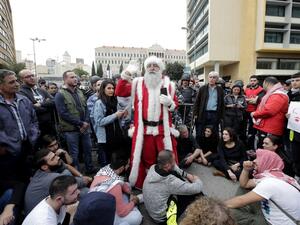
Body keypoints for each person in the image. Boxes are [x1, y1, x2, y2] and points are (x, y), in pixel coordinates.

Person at [129, 56, 179, 189]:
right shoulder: (138, 83)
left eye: (155, 65)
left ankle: (167, 182)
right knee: (148, 158)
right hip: (145, 130)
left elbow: (175, 105)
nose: (152, 68)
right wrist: (127, 73)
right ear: (145, 69)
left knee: (166, 158)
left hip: (162, 130)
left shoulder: (169, 84)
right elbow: (120, 91)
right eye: (149, 65)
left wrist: (170, 103)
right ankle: (149, 182)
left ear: (160, 69)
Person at [225, 150, 300, 225]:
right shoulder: (276, 176)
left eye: (259, 158)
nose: (254, 161)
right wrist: (245, 170)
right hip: (275, 212)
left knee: (227, 210)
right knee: (244, 190)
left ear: (267, 161)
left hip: (274, 222)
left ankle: (250, 218)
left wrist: (217, 206)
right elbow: (244, 184)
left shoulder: (270, 182)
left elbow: (241, 200)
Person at [143, 150, 203, 224]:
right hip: (163, 218)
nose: (175, 163)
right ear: (167, 165)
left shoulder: (153, 168)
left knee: (175, 173)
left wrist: (187, 175)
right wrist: (196, 179)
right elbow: (197, 188)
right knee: (196, 194)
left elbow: (175, 168)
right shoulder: (170, 181)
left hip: (153, 212)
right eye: (174, 161)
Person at [0, 69, 39, 182]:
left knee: (27, 178)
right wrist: (4, 147)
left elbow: (34, 120)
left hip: (27, 147)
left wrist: (34, 136)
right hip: (7, 152)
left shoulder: (24, 100)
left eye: (16, 81)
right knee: (11, 184)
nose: (17, 84)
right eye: (11, 82)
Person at [24, 149, 91, 215]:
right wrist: (91, 179)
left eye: (55, 155)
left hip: (46, 209)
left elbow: (66, 166)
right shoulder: (51, 178)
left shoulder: (44, 170)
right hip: (43, 218)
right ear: (44, 167)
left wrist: (80, 176)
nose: (58, 157)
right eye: (53, 158)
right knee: (86, 192)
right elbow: (82, 181)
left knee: (66, 173)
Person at [55, 70, 95, 173]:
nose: (75, 79)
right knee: (74, 153)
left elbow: (85, 108)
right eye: (72, 77)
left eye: (75, 77)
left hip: (84, 128)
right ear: (65, 79)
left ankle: (89, 169)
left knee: (88, 150)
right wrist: (81, 123)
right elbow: (63, 114)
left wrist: (85, 122)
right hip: (71, 130)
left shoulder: (79, 92)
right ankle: (76, 173)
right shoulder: (60, 94)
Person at [90, 153, 143, 225]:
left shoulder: (106, 168)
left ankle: (129, 205)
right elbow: (121, 213)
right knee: (137, 217)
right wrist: (134, 201)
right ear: (121, 168)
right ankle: (132, 207)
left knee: (127, 185)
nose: (128, 166)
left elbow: (125, 186)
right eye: (127, 165)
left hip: (96, 206)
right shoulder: (115, 185)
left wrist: (131, 193)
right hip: (102, 217)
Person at [92, 79, 127, 164]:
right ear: (103, 89)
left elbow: (118, 120)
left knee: (118, 159)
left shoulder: (115, 101)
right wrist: (115, 115)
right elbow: (99, 122)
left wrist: (122, 115)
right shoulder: (99, 103)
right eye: (109, 88)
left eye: (113, 88)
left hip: (117, 136)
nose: (111, 90)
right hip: (106, 138)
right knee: (108, 161)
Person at [251, 76, 289, 148]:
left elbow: (269, 111)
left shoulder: (278, 95)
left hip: (270, 129)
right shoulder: (274, 94)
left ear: (266, 83)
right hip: (266, 127)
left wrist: (254, 114)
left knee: (266, 151)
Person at [18, 69, 56, 137]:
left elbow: (54, 102)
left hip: (49, 125)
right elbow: (31, 109)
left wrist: (41, 104)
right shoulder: (20, 92)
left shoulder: (41, 90)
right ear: (21, 80)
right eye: (28, 77)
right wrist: (47, 105)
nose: (32, 78)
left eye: (32, 75)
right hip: (36, 128)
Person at [193, 71, 224, 139]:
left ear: (217, 79)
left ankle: (212, 148)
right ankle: (200, 147)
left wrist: (221, 115)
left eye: (214, 77)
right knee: (201, 131)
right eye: (210, 77)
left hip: (215, 113)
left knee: (214, 131)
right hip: (204, 113)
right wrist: (195, 113)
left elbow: (222, 104)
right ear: (208, 78)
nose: (212, 79)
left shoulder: (220, 90)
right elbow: (197, 102)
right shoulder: (202, 88)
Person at [288, 72, 300, 183]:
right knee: (294, 154)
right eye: (292, 81)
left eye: (297, 80)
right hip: (292, 130)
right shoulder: (289, 94)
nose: (294, 83)